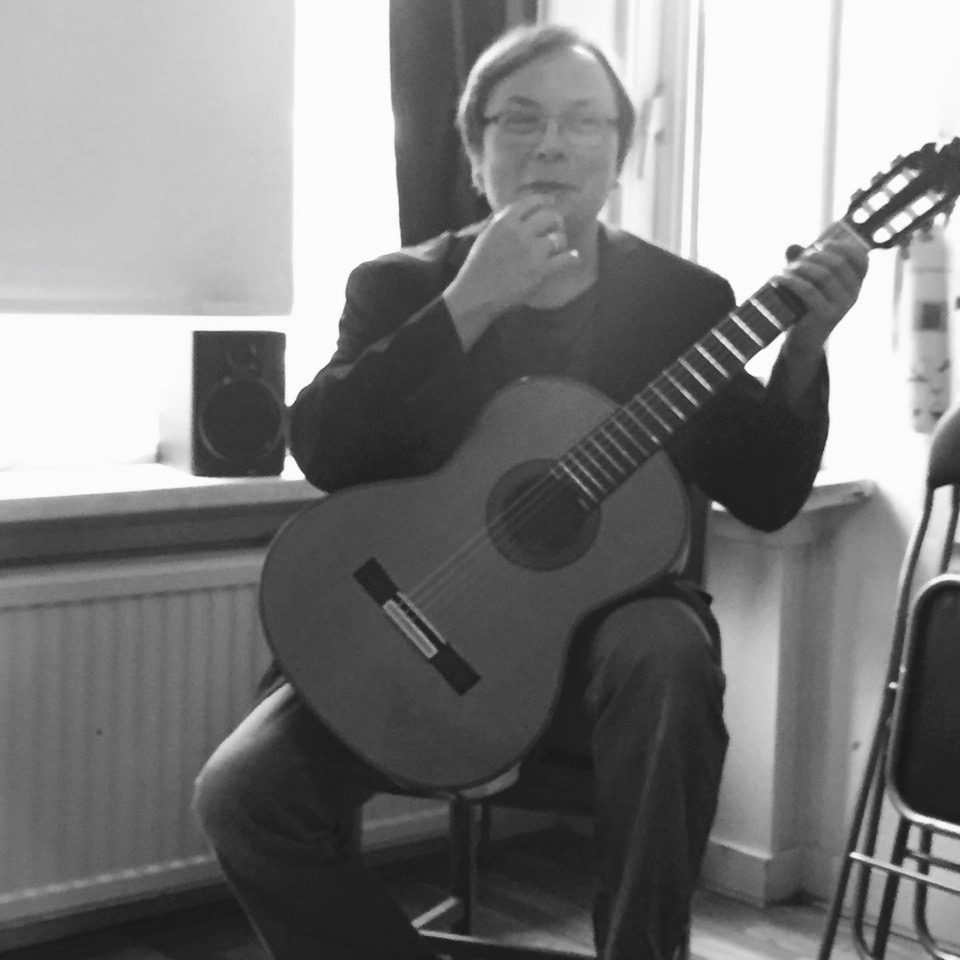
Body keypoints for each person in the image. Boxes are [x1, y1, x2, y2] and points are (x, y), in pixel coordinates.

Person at [193, 22, 869, 960]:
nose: (553, 143)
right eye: (521, 119)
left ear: (618, 157)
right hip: (416, 625)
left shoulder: (680, 301)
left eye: (585, 121)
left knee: (666, 648)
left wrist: (803, 350)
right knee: (242, 795)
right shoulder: (398, 286)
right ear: (475, 155)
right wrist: (470, 302)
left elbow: (766, 494)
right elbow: (326, 449)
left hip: (605, 644)